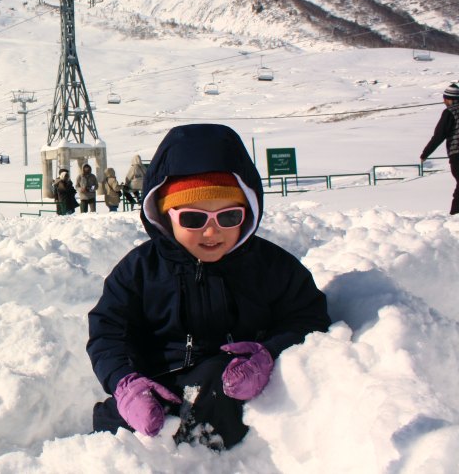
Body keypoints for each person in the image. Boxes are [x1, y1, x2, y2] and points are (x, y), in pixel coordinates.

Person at [87, 123, 331, 450]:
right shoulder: (140, 270)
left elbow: (308, 318)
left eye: (228, 217)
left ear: (247, 213)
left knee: (214, 390)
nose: (212, 232)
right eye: (193, 219)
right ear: (165, 215)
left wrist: (268, 354)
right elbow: (108, 332)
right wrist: (125, 383)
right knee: (113, 426)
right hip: (157, 385)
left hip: (231, 385)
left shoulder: (271, 266)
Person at [419, 82, 459, 215]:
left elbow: (439, 135)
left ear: (449, 99)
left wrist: (425, 153)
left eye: (445, 99)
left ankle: (455, 217)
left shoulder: (449, 112)